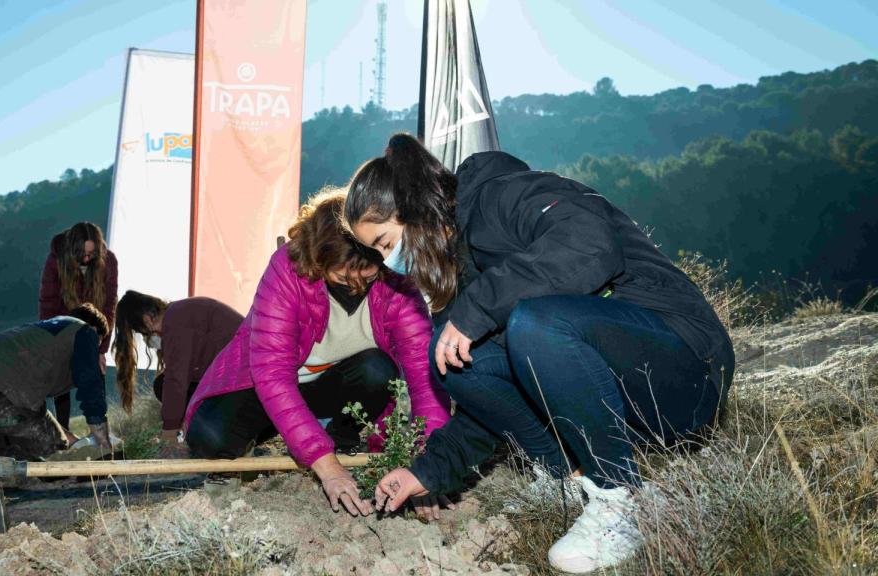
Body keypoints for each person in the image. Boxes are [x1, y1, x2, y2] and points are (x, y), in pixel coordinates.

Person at [344, 134, 735, 573]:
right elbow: (490, 393)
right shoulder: (461, 268)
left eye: (384, 243)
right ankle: (567, 476)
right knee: (452, 357)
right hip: (626, 403)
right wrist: (429, 471)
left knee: (535, 322)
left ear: (412, 208)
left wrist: (482, 306)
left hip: (686, 371)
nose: (387, 261)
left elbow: (590, 243)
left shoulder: (502, 194)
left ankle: (622, 499)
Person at [181, 189, 451, 517]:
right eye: (343, 276)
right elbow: (273, 376)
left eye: (367, 274)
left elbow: (425, 380)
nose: (357, 286)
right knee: (209, 437)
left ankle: (340, 437)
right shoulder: (287, 270)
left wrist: (432, 469)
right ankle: (272, 443)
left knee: (379, 371)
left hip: (334, 390)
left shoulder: (397, 282)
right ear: (319, 259)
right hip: (266, 390)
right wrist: (328, 470)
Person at [0, 304, 116, 463]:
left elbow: (38, 412)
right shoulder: (84, 331)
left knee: (7, 448)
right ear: (93, 330)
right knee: (55, 457)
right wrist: (103, 441)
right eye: (97, 344)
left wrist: (73, 440)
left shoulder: (40, 335)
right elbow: (90, 385)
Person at [113, 290, 244, 457]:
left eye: (142, 333)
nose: (147, 340)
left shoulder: (176, 321)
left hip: (244, 382)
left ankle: (218, 438)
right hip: (233, 377)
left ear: (147, 320)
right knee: (162, 384)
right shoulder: (180, 314)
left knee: (168, 386)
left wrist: (168, 434)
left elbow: (176, 380)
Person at [39, 221, 119, 442]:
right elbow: (48, 302)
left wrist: (102, 349)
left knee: (95, 373)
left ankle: (101, 434)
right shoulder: (55, 260)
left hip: (94, 328)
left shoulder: (109, 260)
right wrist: (50, 341)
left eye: (91, 254)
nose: (86, 258)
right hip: (63, 326)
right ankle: (62, 434)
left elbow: (110, 305)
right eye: (82, 253)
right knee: (61, 379)